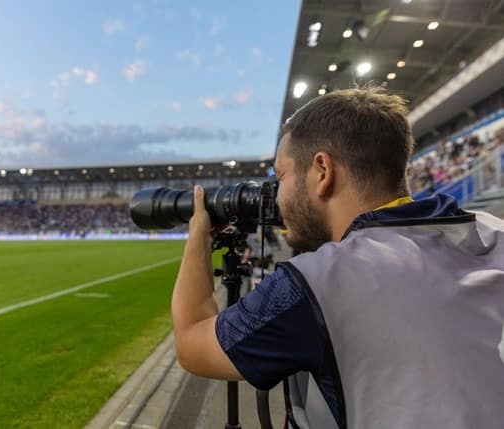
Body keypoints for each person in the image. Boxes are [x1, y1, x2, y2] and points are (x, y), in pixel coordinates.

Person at [171, 86, 504, 428]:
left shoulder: (322, 281)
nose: (276, 195)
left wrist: (198, 233)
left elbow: (191, 342)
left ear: (322, 171)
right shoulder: (495, 231)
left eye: (280, 176)